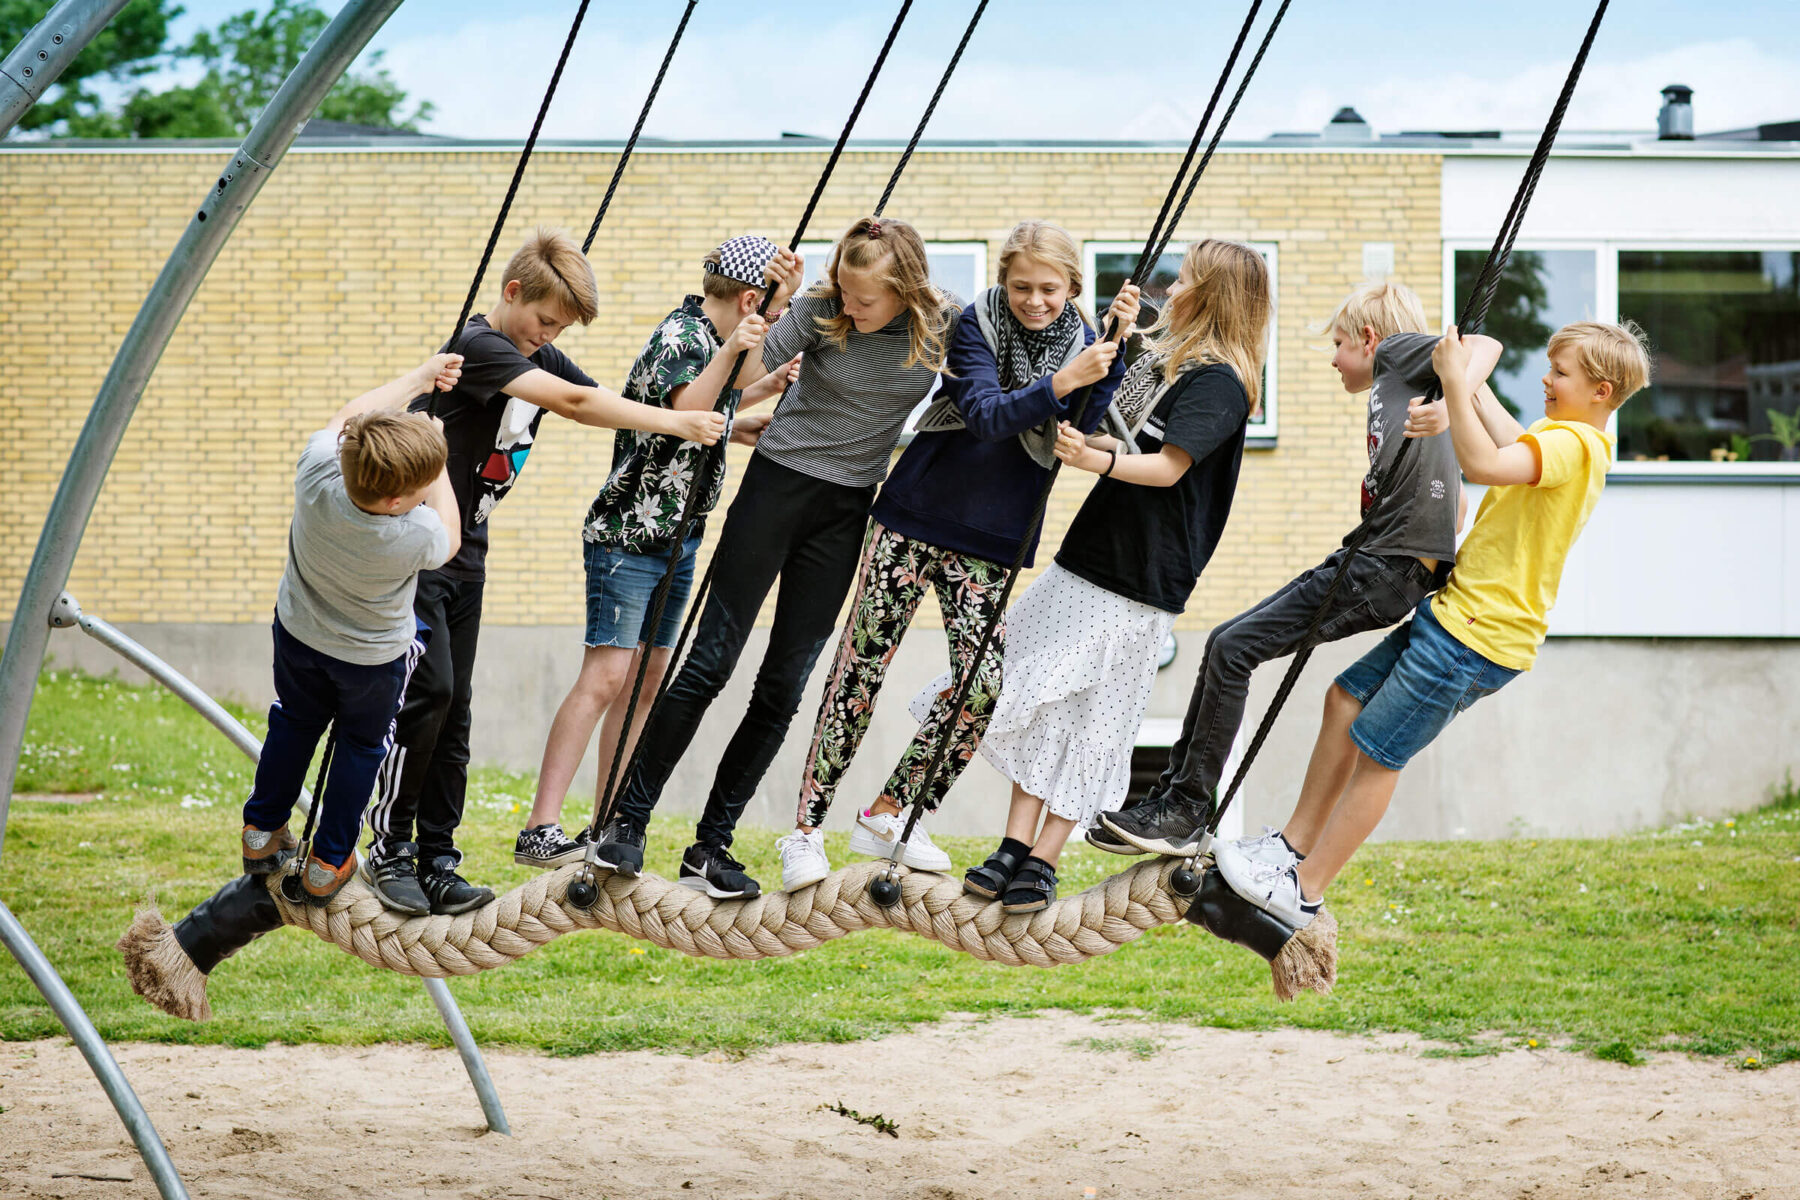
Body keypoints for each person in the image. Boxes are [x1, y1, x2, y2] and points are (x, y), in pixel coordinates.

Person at [1211, 320, 1651, 927]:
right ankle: (1292, 846)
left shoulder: (1577, 448)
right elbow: (1502, 431)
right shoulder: (1557, 437)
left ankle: (1305, 891)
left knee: (1377, 754)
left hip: (1478, 638)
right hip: (1453, 617)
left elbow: (1485, 461)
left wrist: (1451, 383)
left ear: (1601, 391)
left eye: (1561, 373)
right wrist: (1461, 394)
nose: (1546, 380)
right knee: (1343, 701)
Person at [592, 216, 960, 899]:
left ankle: (711, 848)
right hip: (776, 490)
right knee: (710, 664)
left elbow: (997, 370)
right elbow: (749, 375)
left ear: (906, 289)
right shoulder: (820, 310)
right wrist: (765, 317)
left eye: (865, 299)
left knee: (783, 688)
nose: (850, 306)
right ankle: (627, 824)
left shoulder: (942, 325)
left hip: (846, 511)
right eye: (844, 292)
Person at [363, 227, 727, 917]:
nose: (547, 337)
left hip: (466, 552)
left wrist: (726, 421)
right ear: (511, 294)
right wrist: (682, 427)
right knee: (428, 693)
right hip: (414, 548)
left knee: (457, 706)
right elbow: (580, 405)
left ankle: (438, 857)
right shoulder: (480, 347)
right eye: (544, 321)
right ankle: (391, 850)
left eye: (558, 328)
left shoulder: (535, 348)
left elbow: (627, 413)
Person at [776, 220, 1139, 890]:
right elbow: (985, 414)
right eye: (1022, 285)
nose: (1034, 300)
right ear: (1003, 280)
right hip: (915, 516)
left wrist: (1111, 356)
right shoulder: (975, 323)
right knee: (860, 671)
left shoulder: (1085, 343)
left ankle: (891, 811)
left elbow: (1076, 434)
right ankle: (805, 831)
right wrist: (1063, 380)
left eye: (1049, 288)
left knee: (983, 690)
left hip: (995, 540)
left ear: (1073, 287)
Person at [1098, 281, 1496, 857]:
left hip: (1381, 568)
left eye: (1338, 344)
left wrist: (1453, 396)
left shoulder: (1397, 355)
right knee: (1224, 643)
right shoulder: (1395, 387)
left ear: (1367, 337)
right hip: (1373, 561)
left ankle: (1183, 809)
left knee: (1234, 649)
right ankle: (1172, 802)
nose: (1334, 359)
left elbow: (1483, 345)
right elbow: (1452, 507)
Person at [959, 239, 1269, 913]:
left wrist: (1094, 463)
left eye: (1184, 279)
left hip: (1145, 572)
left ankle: (1045, 855)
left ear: (1209, 295)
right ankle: (1014, 844)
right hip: (1091, 552)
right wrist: (1112, 359)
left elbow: (1167, 469)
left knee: (1097, 715)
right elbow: (1122, 438)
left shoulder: (1219, 382)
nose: (1172, 287)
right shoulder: (1168, 361)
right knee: (1039, 692)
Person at [514, 236, 804, 867]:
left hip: (678, 539)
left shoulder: (711, 341)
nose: (776, 328)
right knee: (607, 674)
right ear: (751, 300)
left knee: (646, 681)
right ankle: (540, 826)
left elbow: (720, 401)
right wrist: (740, 363)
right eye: (775, 316)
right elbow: (687, 406)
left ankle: (605, 822)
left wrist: (765, 389)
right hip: (629, 535)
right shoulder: (683, 335)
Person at [239, 354, 463, 903]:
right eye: (418, 489)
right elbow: (451, 539)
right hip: (370, 664)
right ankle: (328, 863)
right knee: (362, 748)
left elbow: (348, 415)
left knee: (294, 724)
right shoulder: (412, 533)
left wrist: (417, 381)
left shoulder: (316, 469)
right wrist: (442, 467)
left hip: (298, 636)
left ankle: (260, 833)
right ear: (395, 501)